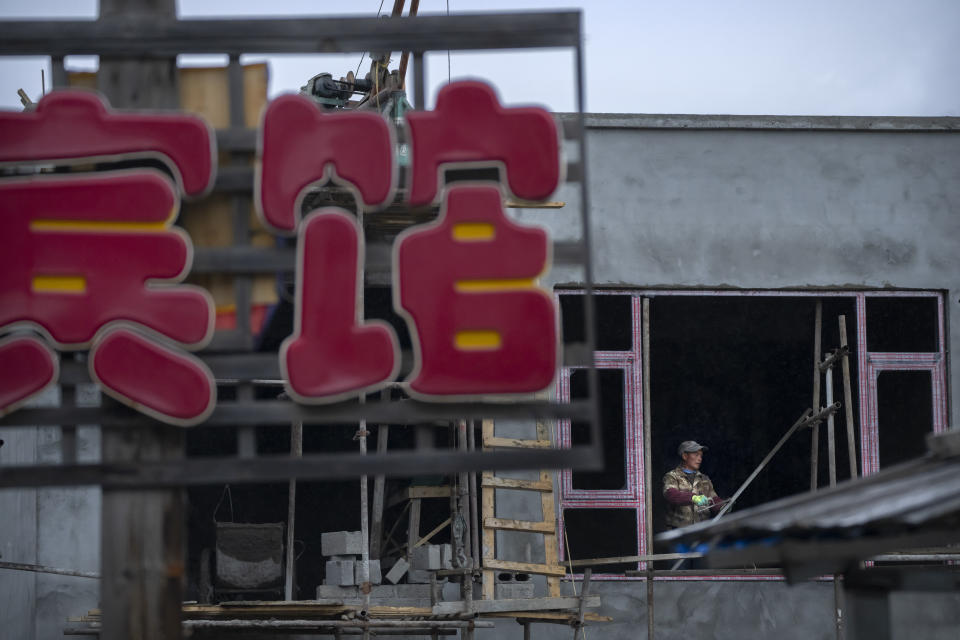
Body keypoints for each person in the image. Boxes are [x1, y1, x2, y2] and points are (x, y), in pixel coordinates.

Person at [662, 440, 724, 529]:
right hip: (679, 531)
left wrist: (722, 506)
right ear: (685, 456)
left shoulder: (704, 479)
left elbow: (713, 499)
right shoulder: (672, 476)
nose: (700, 459)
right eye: (696, 455)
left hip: (702, 530)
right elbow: (671, 494)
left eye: (701, 456)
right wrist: (693, 498)